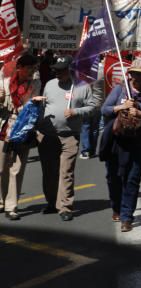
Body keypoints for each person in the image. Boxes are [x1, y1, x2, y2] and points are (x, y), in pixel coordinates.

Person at [36, 54, 101, 221]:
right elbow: (44, 106)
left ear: (70, 70)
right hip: (48, 135)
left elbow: (93, 107)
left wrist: (76, 111)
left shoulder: (81, 86)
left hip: (70, 136)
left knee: (66, 172)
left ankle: (65, 206)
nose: (57, 74)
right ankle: (51, 202)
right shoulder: (49, 85)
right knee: (49, 172)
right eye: (55, 70)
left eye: (61, 71)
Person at [99, 57, 141, 232]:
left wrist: (140, 113)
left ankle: (127, 217)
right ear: (131, 74)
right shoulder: (120, 90)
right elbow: (104, 110)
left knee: (132, 179)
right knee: (113, 177)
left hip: (138, 142)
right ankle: (116, 207)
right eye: (136, 73)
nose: (138, 77)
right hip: (117, 141)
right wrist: (121, 108)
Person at [0, 52, 41, 220]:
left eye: (34, 68)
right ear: (20, 68)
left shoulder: (36, 84)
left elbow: (33, 108)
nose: (32, 71)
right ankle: (2, 201)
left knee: (16, 169)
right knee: (2, 168)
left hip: (23, 129)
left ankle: (12, 206)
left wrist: (33, 103)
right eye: (29, 68)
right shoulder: (4, 82)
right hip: (4, 127)